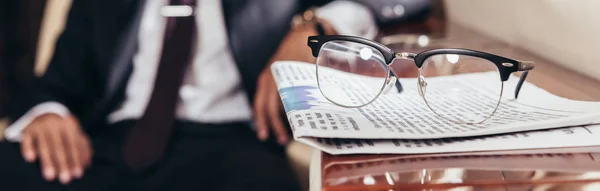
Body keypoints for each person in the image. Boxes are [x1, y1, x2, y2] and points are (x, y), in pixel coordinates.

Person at [0, 0, 431, 190]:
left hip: (232, 143)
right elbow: (53, 85)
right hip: (105, 147)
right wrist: (45, 113)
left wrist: (316, 28)